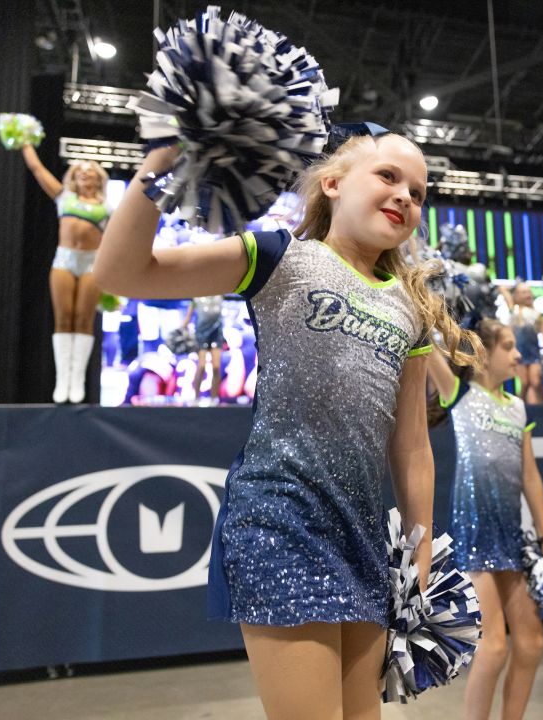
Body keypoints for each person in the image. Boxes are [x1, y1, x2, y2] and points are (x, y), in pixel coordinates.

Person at [95, 131, 478, 719]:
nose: (405, 195)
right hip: (278, 521)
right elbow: (124, 273)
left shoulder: (409, 306)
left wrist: (419, 549)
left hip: (363, 535)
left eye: (418, 192)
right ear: (332, 183)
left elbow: (411, 445)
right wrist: (160, 164)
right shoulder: (278, 257)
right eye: (387, 176)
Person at [425, 319, 543, 720]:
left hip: (509, 537)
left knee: (531, 642)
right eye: (510, 347)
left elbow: (530, 476)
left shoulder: (517, 408)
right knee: (494, 647)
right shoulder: (460, 396)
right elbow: (429, 351)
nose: (519, 355)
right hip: (473, 537)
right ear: (484, 356)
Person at [20, 145, 111, 403]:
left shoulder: (108, 208)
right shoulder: (64, 198)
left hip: (92, 264)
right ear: (73, 176)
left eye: (90, 169)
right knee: (63, 318)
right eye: (79, 169)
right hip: (64, 261)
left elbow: (117, 239)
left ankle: (77, 379)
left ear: (98, 177)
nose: (84, 172)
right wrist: (26, 143)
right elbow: (37, 169)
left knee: (83, 319)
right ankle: (63, 379)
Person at [498, 281, 543, 404]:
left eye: (529, 292)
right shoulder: (514, 310)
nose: (527, 295)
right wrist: (514, 286)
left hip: (534, 353)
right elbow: (502, 289)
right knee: (525, 383)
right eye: (523, 292)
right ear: (516, 296)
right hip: (519, 353)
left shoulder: (537, 313)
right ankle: (518, 407)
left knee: (536, 382)